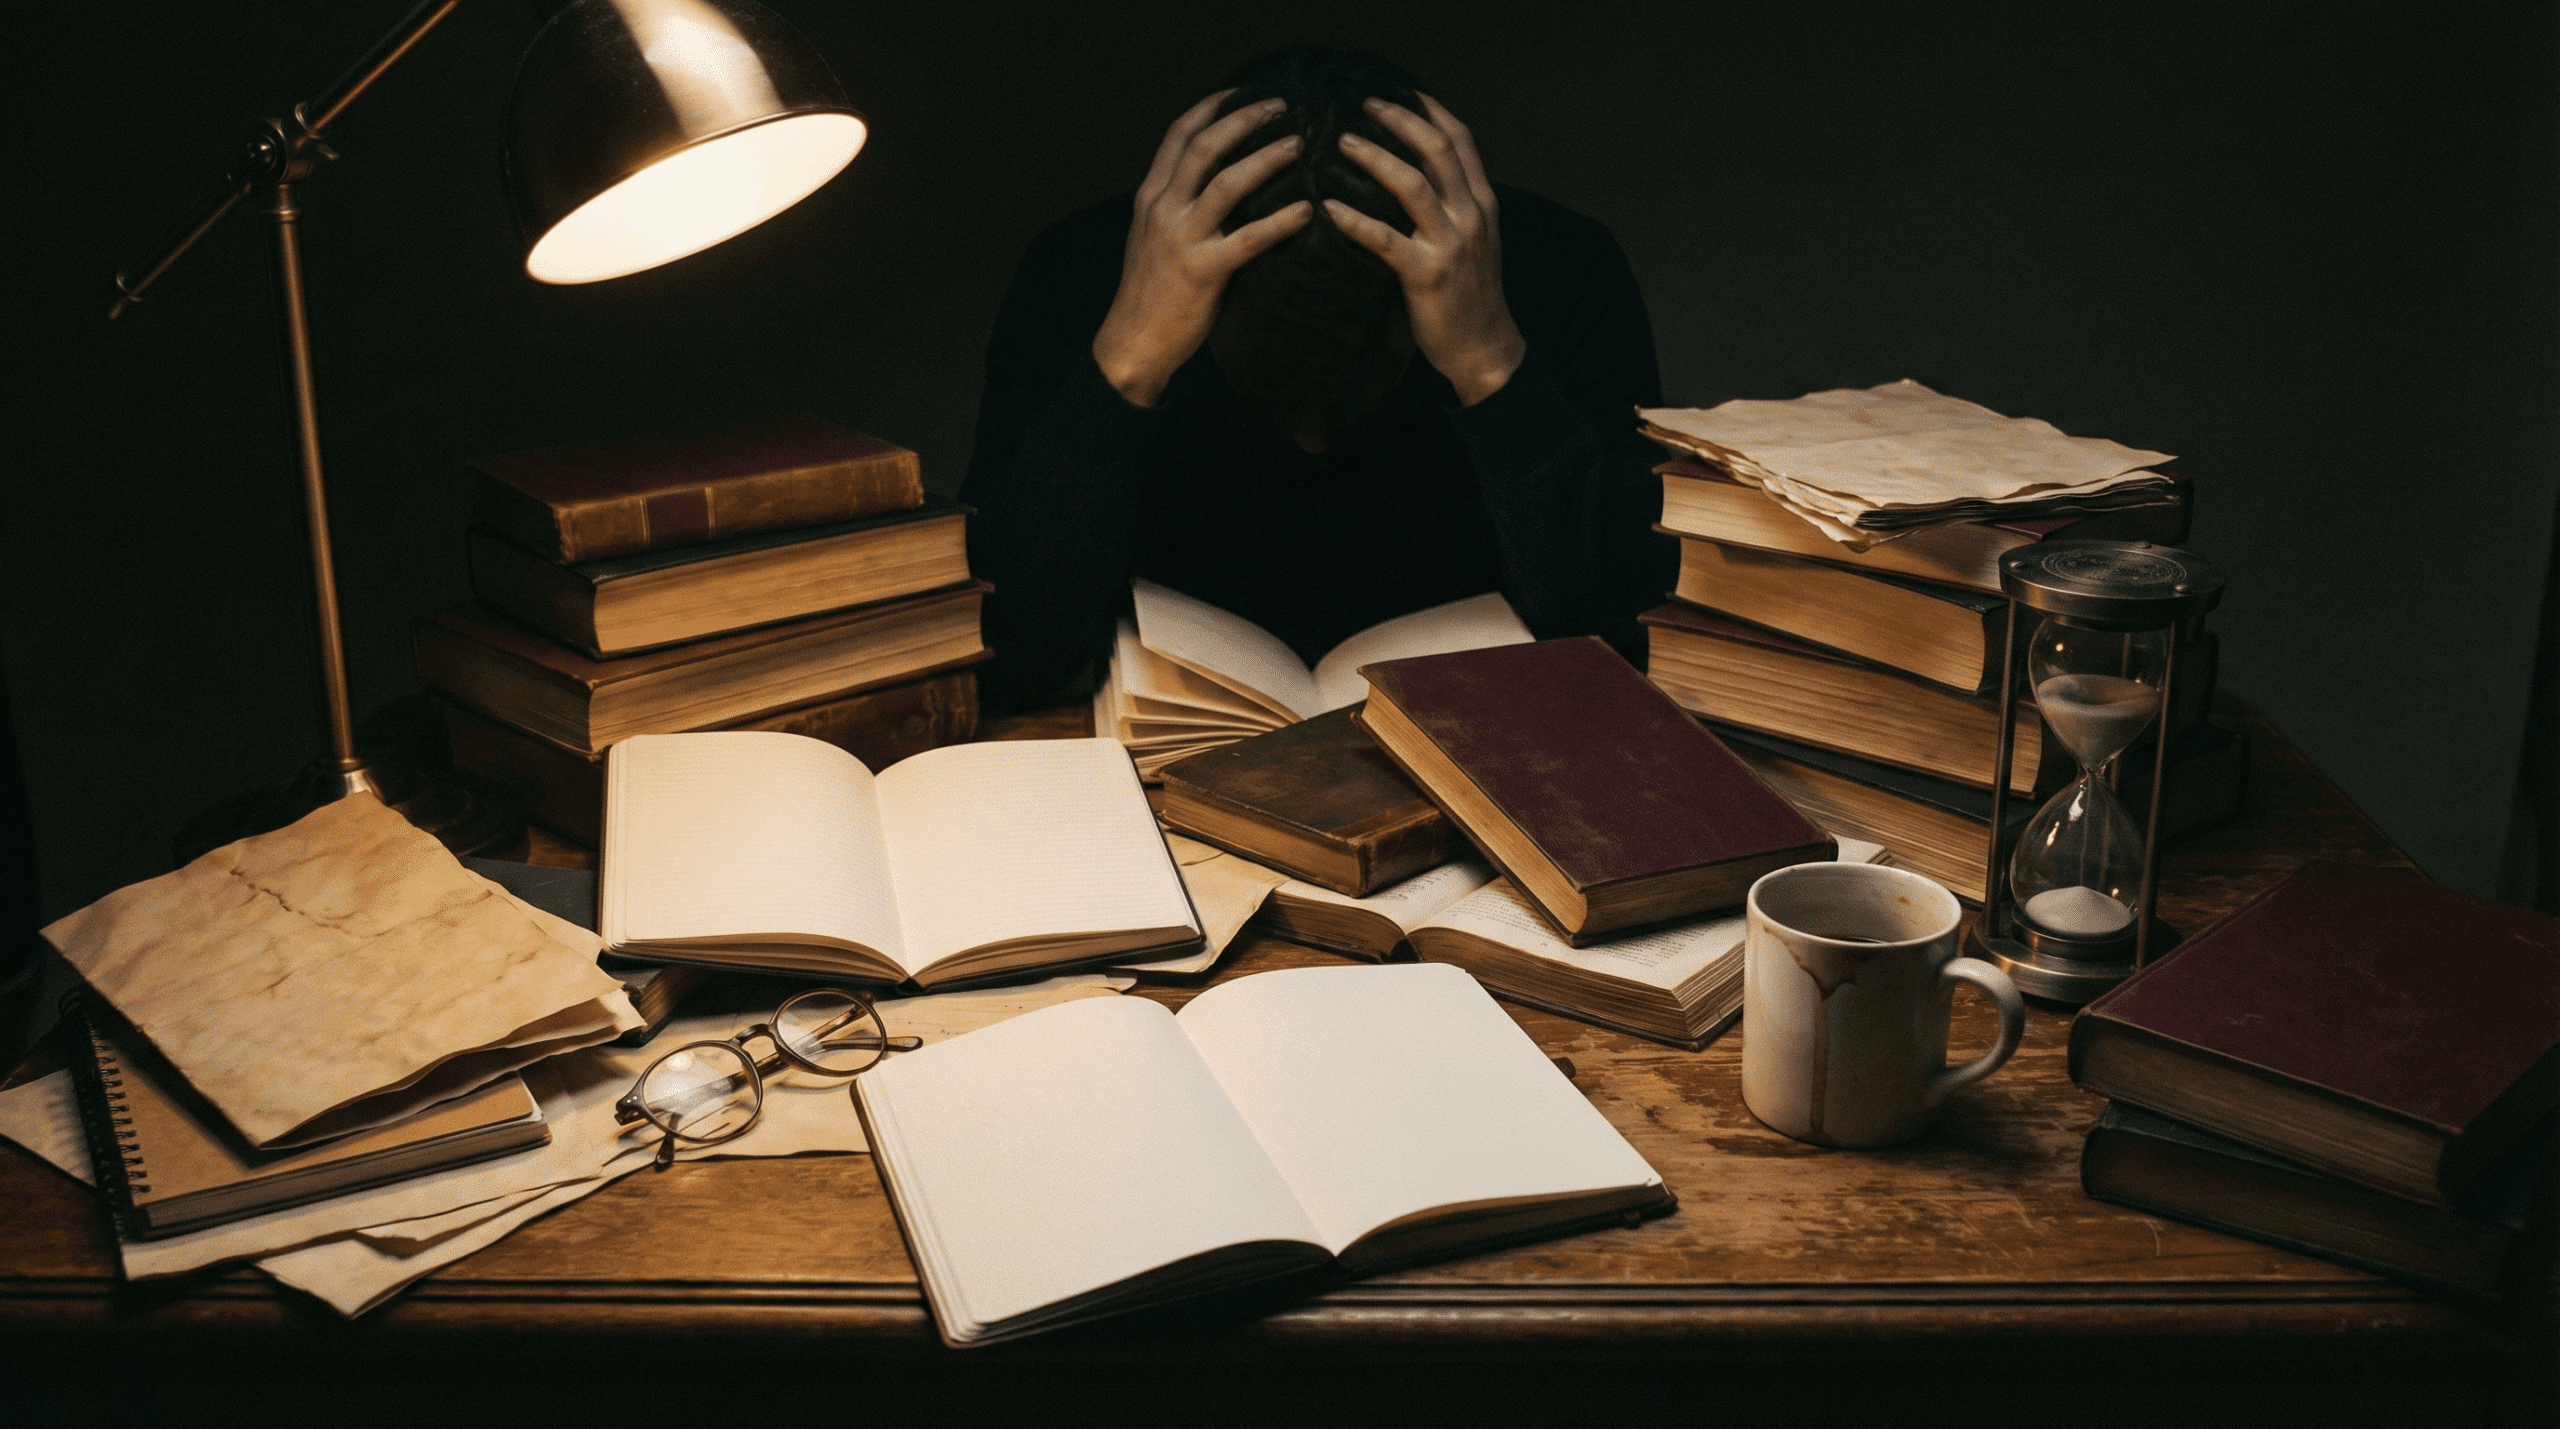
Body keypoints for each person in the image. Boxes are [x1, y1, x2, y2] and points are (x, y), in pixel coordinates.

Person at [960, 47, 1672, 713]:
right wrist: (1125, 364)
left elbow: (1641, 656)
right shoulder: (1079, 276)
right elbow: (1005, 659)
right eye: (1274, 385)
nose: (1312, 441)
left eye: (1355, 377)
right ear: (1198, 308)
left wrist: (1491, 364)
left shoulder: (1564, 273)